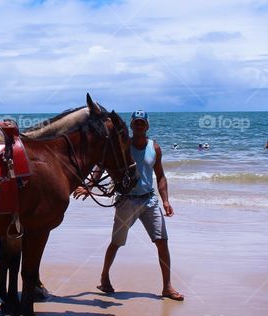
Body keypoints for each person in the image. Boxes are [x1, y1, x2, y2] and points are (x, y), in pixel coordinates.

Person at [73, 110, 184, 301]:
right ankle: (104, 277)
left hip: (149, 201)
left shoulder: (154, 148)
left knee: (162, 242)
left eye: (142, 123)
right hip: (126, 200)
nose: (139, 126)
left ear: (147, 126)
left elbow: (161, 176)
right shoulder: (123, 145)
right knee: (116, 243)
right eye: (136, 123)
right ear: (131, 126)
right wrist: (89, 185)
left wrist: (165, 200)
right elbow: (102, 165)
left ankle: (167, 286)